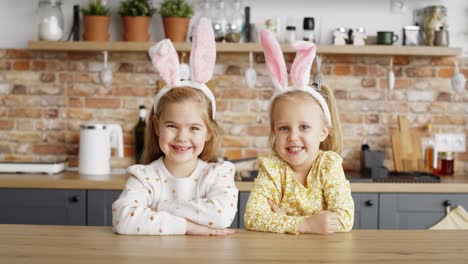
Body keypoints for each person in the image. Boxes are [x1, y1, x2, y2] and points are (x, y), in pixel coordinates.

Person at [112, 18, 238, 236]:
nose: (182, 137)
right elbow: (124, 219)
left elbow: (220, 216)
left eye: (194, 128)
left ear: (209, 132)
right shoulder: (145, 177)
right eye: (172, 126)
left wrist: (162, 207)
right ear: (157, 125)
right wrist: (189, 227)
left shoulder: (217, 175)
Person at [244, 29, 354, 235]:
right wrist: (306, 225)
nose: (293, 137)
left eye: (304, 127)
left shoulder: (328, 166)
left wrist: (282, 220)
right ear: (274, 132)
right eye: (284, 128)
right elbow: (252, 217)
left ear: (323, 132)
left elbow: (344, 219)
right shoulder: (273, 168)